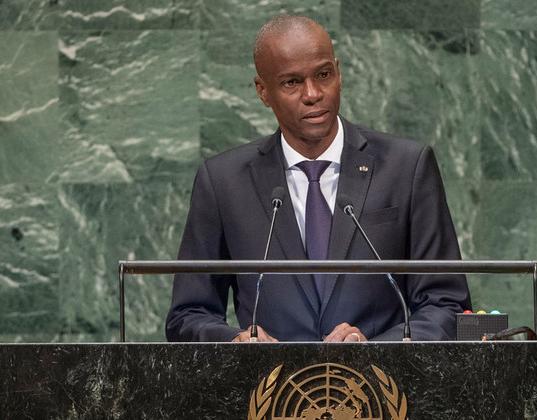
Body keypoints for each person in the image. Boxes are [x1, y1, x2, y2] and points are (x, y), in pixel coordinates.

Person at [165, 15, 471, 343]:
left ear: (338, 72)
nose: (313, 94)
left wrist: (374, 348)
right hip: (268, 376)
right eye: (292, 82)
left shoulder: (406, 167)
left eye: (323, 75)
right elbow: (188, 315)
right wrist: (236, 342)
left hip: (380, 375)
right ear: (263, 91)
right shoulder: (223, 182)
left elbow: (446, 304)